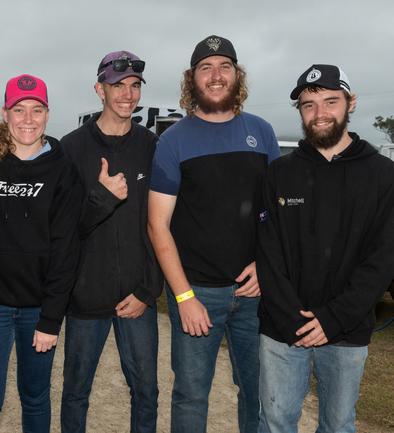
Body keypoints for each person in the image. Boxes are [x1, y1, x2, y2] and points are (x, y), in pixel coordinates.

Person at [147, 35, 280, 433]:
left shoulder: (262, 132)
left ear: (237, 75)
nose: (216, 75)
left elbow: (277, 212)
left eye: (224, 66)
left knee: (256, 390)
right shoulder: (173, 141)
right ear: (192, 79)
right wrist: (184, 297)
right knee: (190, 394)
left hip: (255, 291)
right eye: (206, 68)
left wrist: (266, 266)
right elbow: (158, 226)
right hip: (197, 291)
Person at [256, 64, 394, 433]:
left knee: (337, 425)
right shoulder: (279, 173)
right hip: (283, 329)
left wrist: (332, 319)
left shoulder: (383, 174)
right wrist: (293, 319)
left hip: (346, 332)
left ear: (351, 103)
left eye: (331, 102)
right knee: (275, 422)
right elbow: (268, 253)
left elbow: (383, 258)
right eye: (308, 105)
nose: (319, 114)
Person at [0, 74, 82, 433]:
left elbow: (67, 249)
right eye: (19, 109)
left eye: (37, 110)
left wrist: (51, 319)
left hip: (37, 306)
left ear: (47, 114)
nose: (28, 119)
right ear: (5, 113)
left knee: (34, 396)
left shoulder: (63, 170)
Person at [60, 50, 162, 433]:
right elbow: (67, 229)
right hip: (86, 296)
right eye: (118, 86)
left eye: (134, 86)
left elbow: (163, 224)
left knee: (146, 392)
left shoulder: (152, 147)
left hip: (138, 295)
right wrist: (101, 197)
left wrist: (148, 289)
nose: (128, 94)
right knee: (75, 393)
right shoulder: (72, 148)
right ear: (99, 89)